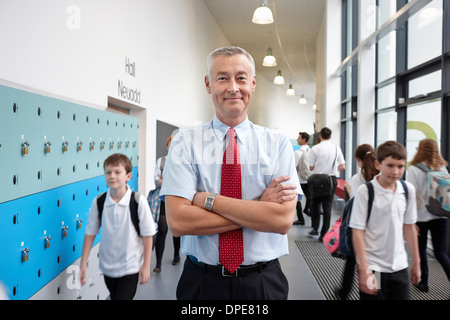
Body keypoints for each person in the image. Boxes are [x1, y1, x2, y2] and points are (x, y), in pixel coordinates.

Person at [160, 46, 302, 300]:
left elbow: (280, 221)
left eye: (241, 78)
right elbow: (179, 222)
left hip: (263, 283)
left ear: (253, 83)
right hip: (202, 283)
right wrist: (259, 208)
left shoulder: (278, 144)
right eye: (222, 77)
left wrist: (206, 201)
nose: (233, 87)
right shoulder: (184, 143)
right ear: (208, 84)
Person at [80, 153, 157, 300]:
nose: (112, 176)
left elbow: (148, 235)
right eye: (108, 172)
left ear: (128, 176)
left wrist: (146, 265)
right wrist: (84, 261)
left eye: (117, 172)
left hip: (130, 267)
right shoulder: (99, 201)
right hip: (108, 267)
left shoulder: (138, 201)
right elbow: (90, 232)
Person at [350, 141, 421, 300]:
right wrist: (364, 269)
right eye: (390, 165)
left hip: (399, 266)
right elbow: (357, 232)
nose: (395, 171)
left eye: (400, 166)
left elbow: (409, 227)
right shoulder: (366, 191)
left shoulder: (407, 190)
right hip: (373, 265)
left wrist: (417, 262)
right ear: (377, 164)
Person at [406, 138, 450, 292]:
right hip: (441, 215)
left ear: (420, 149)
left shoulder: (414, 169)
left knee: (421, 250)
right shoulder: (442, 168)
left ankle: (423, 282)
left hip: (421, 217)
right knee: (440, 252)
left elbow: (411, 196)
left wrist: (410, 220)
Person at [337, 144, 379, 300]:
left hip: (359, 230)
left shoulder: (357, 179)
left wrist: (349, 191)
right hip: (376, 231)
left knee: (351, 262)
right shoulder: (380, 176)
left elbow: (355, 204)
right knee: (373, 266)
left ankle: (344, 292)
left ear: (358, 160)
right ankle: (374, 292)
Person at [308, 127, 345, 241]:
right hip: (330, 179)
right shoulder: (336, 148)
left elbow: (311, 167)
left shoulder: (315, 148)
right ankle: (324, 234)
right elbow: (342, 166)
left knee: (315, 204)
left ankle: (315, 228)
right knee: (327, 206)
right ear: (330, 136)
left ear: (320, 136)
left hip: (317, 180)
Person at [152, 135, 181, 274]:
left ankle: (176, 255)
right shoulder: (161, 161)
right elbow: (156, 181)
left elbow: (182, 183)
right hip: (163, 199)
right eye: (171, 144)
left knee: (177, 230)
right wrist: (170, 183)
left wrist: (164, 181)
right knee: (162, 229)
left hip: (178, 199)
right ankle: (158, 264)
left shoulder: (182, 161)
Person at [293, 131, 311, 225]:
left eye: (299, 138)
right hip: (309, 178)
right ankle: (307, 210)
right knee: (310, 197)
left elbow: (294, 167)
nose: (297, 139)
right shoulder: (311, 150)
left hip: (300, 179)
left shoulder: (298, 152)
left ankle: (300, 219)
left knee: (297, 199)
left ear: (303, 139)